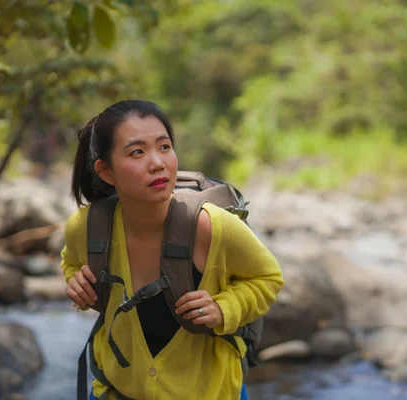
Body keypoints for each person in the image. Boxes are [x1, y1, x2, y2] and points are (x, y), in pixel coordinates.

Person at [61, 100, 284, 400]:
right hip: (115, 391)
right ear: (106, 171)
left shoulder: (213, 226)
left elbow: (268, 278)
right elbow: (71, 264)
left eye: (164, 147)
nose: (157, 163)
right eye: (137, 152)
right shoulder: (87, 227)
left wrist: (224, 308)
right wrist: (75, 282)